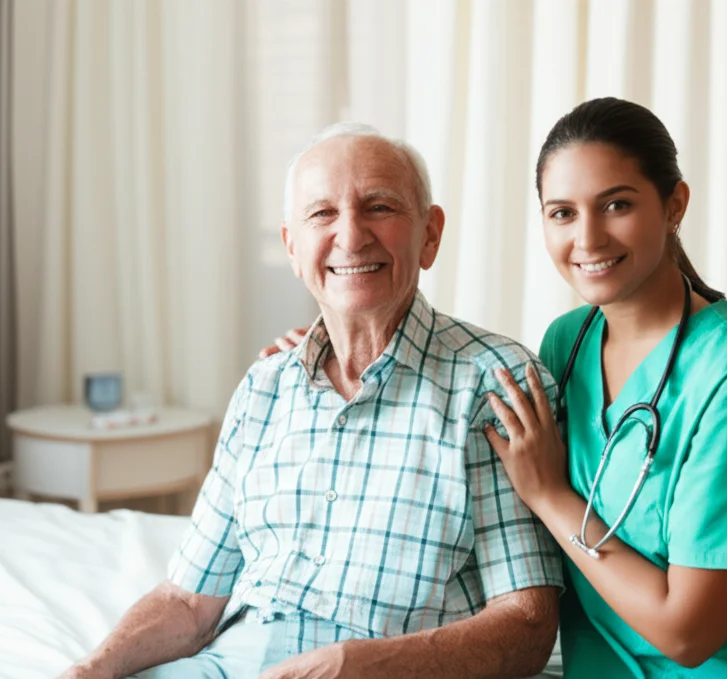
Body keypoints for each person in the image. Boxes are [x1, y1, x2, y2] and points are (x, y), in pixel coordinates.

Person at [262, 99, 727, 677]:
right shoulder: (568, 345)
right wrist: (331, 348)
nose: (588, 238)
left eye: (616, 204)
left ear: (675, 205)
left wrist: (548, 494)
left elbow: (689, 633)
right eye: (562, 213)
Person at [60, 122, 564, 679]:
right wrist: (92, 670)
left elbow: (527, 626)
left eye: (379, 207)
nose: (351, 236)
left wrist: (363, 664)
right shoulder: (263, 388)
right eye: (322, 214)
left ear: (430, 235)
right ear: (293, 248)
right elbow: (189, 604)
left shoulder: (495, 382)